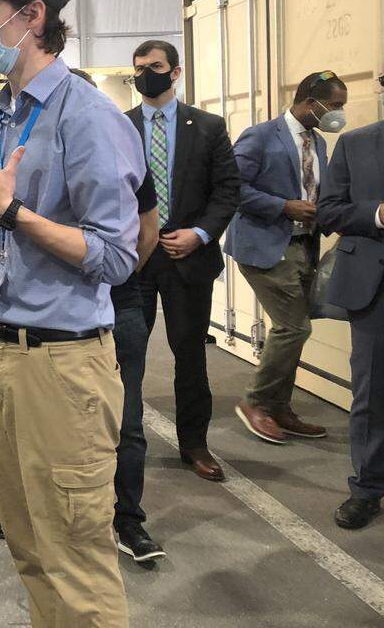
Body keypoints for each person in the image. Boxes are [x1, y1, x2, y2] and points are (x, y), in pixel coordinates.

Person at [0, 0, 142, 627]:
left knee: (77, 560)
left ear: (31, 18)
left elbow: (115, 255)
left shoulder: (85, 116)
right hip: (2, 358)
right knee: (31, 550)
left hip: (65, 364)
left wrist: (13, 211)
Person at [128, 40, 240, 482]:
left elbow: (227, 189)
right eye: (138, 69)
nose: (145, 75)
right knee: (126, 354)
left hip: (188, 258)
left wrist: (200, 233)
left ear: (175, 72)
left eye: (154, 67)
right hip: (135, 261)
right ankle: (123, 438)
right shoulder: (121, 126)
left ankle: (194, 443)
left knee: (189, 355)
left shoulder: (208, 127)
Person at [225, 71, 348, 443]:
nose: (339, 113)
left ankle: (280, 408)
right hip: (264, 246)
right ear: (312, 103)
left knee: (293, 331)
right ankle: (257, 402)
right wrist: (283, 206)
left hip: (303, 247)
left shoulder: (319, 143)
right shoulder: (261, 136)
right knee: (294, 327)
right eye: (336, 105)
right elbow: (233, 187)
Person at [73, 68, 165, 563]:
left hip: (120, 305)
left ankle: (128, 519)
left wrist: (116, 278)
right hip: (64, 311)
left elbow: (148, 227)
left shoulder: (123, 150)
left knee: (126, 420)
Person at [318, 46, 384, 531]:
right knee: (372, 398)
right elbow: (329, 210)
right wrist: (376, 214)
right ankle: (367, 490)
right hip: (381, 288)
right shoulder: (354, 144)